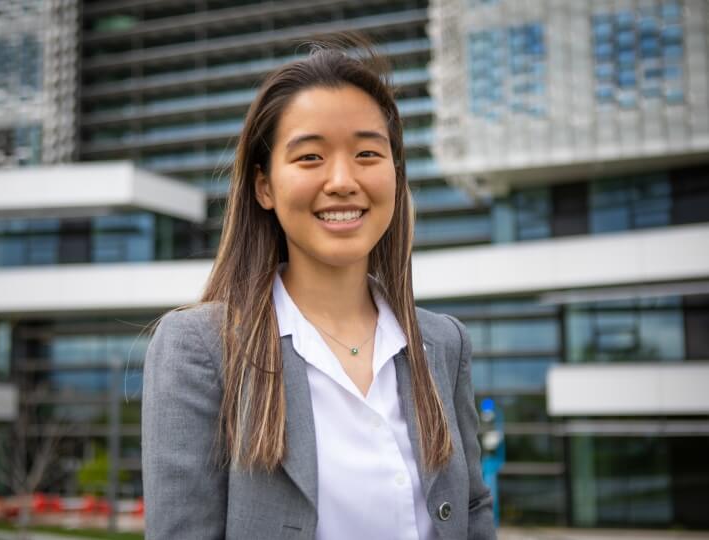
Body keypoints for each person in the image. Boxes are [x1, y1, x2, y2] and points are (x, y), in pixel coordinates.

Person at [141, 39, 495, 540]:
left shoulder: (443, 343)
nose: (343, 180)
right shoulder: (199, 347)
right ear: (264, 186)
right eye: (310, 157)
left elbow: (472, 507)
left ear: (395, 173)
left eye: (368, 153)